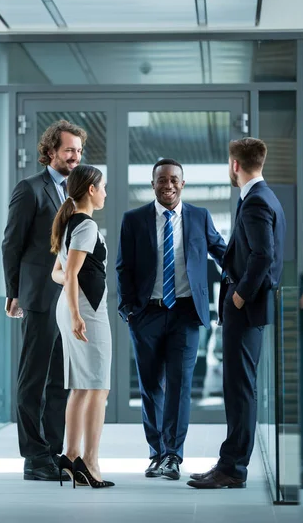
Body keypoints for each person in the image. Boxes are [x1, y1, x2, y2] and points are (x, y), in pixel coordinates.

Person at [116, 158, 226, 481]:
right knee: (151, 386)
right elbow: (123, 267)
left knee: (179, 384)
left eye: (174, 179)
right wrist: (128, 310)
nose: (168, 185)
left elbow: (222, 253)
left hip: (186, 312)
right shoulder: (133, 220)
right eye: (161, 180)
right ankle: (156, 453)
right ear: (153, 185)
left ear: (182, 183)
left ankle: (173, 456)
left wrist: (245, 281)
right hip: (146, 312)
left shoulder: (199, 217)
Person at [188, 137, 286, 489]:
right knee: (239, 387)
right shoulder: (263, 197)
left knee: (240, 389)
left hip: (245, 310)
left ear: (234, 165)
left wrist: (239, 297)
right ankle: (230, 462)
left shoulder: (256, 202)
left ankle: (232, 468)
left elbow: (263, 255)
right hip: (247, 311)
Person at [2, 120, 87, 481]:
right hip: (38, 298)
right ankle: (34, 456)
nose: (75, 157)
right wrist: (14, 291)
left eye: (79, 152)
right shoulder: (30, 189)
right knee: (33, 379)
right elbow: (12, 243)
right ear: (51, 150)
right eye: (69, 150)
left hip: (64, 300)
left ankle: (52, 451)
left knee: (58, 380)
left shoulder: (73, 193)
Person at [51, 165, 114, 489]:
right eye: (103, 187)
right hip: (86, 312)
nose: (105, 193)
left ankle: (70, 455)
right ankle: (89, 460)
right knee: (97, 388)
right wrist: (77, 314)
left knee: (81, 386)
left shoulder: (69, 223)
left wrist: (71, 299)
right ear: (91, 189)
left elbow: (58, 273)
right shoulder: (86, 225)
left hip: (76, 307)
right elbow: (70, 274)